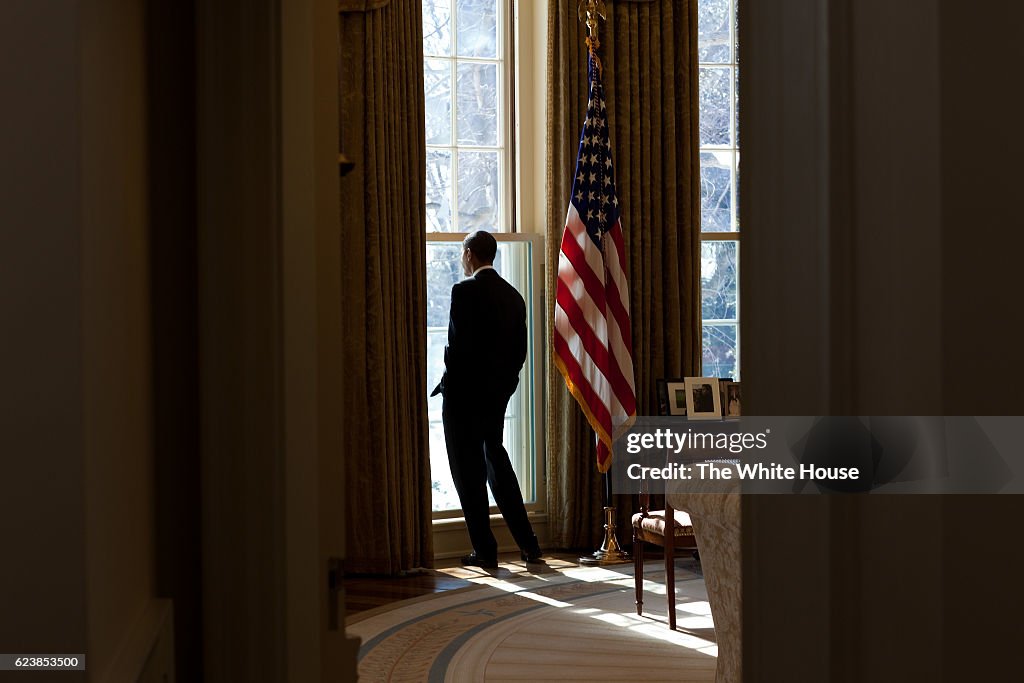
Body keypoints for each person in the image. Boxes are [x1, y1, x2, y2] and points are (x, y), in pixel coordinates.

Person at [430, 231, 543, 568]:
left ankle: (485, 550)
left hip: (464, 398)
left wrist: (451, 384)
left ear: (469, 255)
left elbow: (457, 348)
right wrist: (503, 387)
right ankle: (529, 544)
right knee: (497, 463)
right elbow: (519, 353)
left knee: (468, 473)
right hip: (496, 397)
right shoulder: (514, 297)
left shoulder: (463, 291)